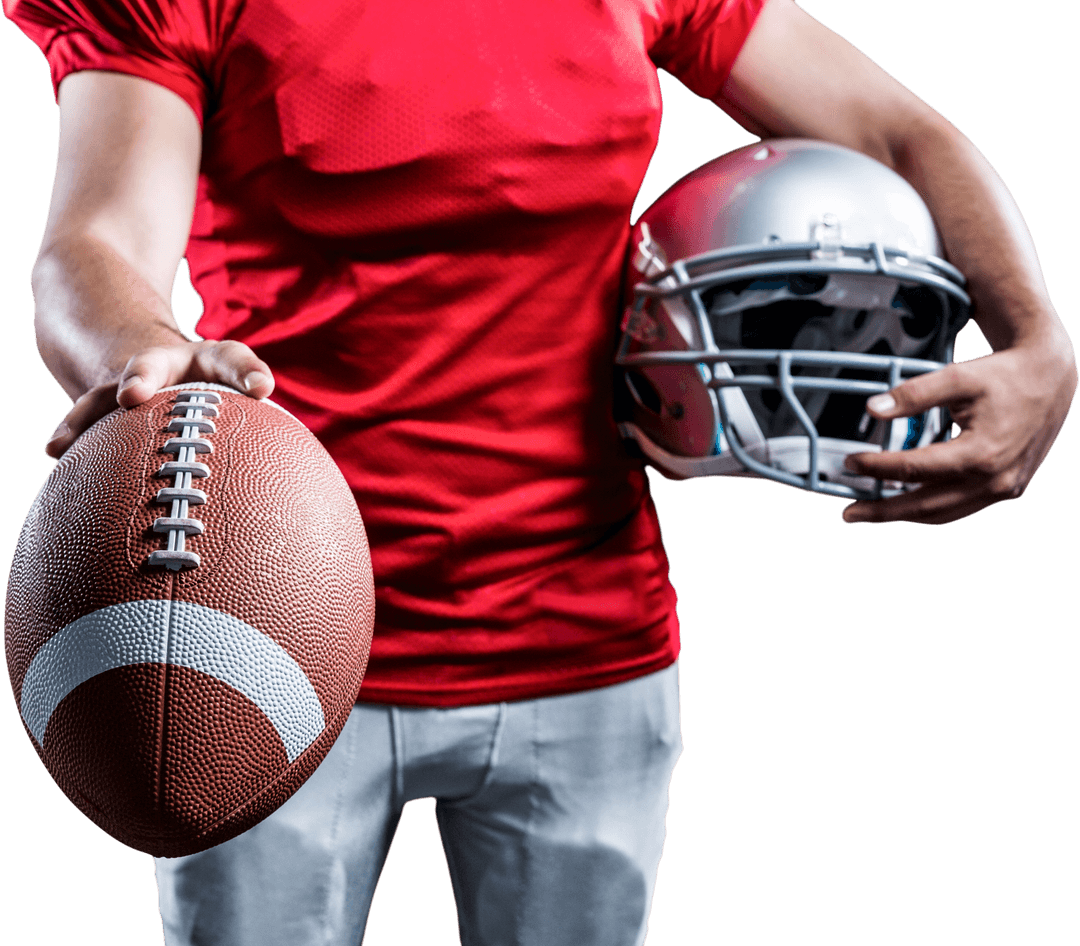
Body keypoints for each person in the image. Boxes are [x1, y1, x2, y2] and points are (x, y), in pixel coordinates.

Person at [4, 0, 1075, 944]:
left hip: (588, 625)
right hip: (271, 638)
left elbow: (896, 131)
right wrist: (146, 352)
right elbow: (92, 247)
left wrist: (1035, 334)